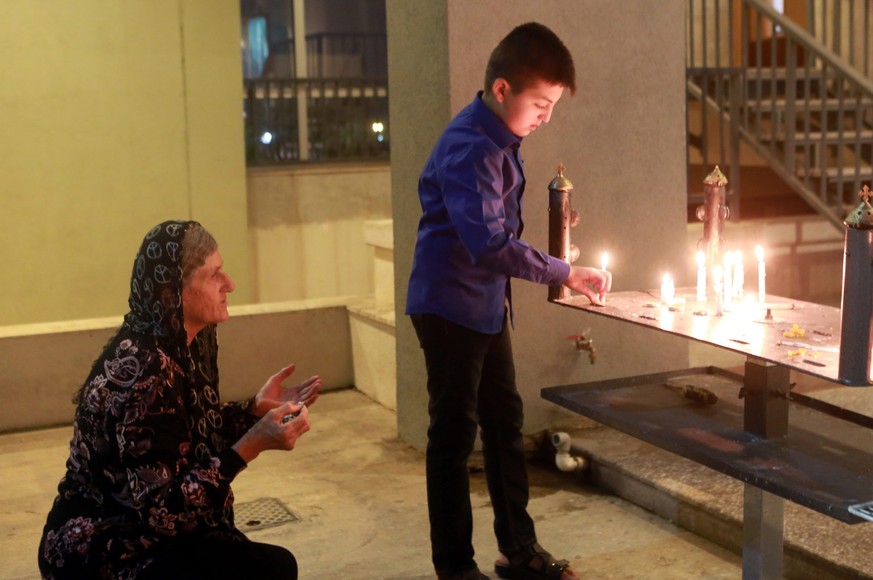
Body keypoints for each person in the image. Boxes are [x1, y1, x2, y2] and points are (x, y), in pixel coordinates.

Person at [406, 22, 611, 580]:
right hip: (449, 308)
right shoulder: (470, 146)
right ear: (502, 90)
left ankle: (517, 550)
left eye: (553, 105)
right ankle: (455, 568)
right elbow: (489, 244)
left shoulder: (501, 139)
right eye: (540, 103)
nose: (546, 116)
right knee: (452, 438)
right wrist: (564, 272)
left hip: (484, 305)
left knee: (504, 424)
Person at [38, 220, 323, 579]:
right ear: (173, 292)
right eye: (213, 275)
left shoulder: (181, 342)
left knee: (264, 565)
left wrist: (253, 410)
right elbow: (164, 513)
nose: (230, 284)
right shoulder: (148, 369)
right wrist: (250, 446)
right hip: (102, 547)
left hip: (139, 530)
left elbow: (180, 435)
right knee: (268, 570)